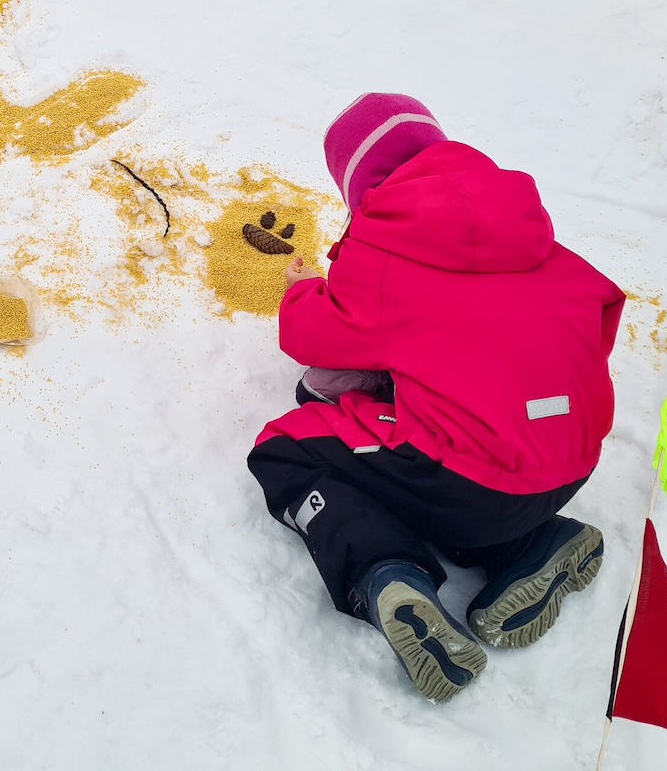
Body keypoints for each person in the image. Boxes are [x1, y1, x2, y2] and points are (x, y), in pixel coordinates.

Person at [248, 94, 624, 702]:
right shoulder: (540, 239)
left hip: (472, 476)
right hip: (569, 462)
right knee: (463, 467)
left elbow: (310, 337)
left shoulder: (388, 252)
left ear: (358, 187)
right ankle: (528, 546)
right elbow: (594, 324)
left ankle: (385, 571)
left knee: (287, 445)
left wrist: (304, 289)